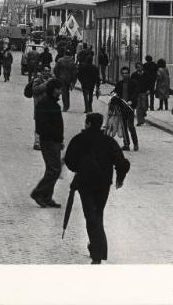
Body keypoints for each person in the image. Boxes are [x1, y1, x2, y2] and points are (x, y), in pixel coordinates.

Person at [64, 112, 130, 264]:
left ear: (87, 123)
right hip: (103, 184)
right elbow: (122, 162)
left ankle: (97, 252)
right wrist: (120, 177)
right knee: (97, 214)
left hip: (85, 183)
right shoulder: (108, 141)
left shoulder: (79, 139)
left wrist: (79, 168)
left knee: (91, 215)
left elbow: (69, 160)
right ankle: (97, 248)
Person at [30, 78, 64, 208]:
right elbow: (41, 126)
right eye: (59, 89)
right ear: (53, 90)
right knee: (54, 169)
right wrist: (54, 137)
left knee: (53, 169)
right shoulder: (44, 104)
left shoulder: (53, 104)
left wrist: (60, 140)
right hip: (49, 141)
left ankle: (47, 197)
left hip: (54, 141)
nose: (61, 91)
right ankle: (38, 193)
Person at [112, 67, 139, 151]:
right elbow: (115, 92)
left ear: (129, 73)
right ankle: (126, 144)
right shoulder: (119, 83)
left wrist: (131, 101)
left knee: (131, 126)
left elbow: (136, 93)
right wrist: (113, 95)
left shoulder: (134, 83)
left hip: (130, 107)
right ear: (121, 74)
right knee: (123, 127)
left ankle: (135, 144)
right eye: (123, 73)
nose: (125, 75)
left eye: (126, 73)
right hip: (122, 107)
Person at [31, 66, 52, 150]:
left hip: (49, 107)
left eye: (48, 71)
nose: (47, 72)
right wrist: (46, 84)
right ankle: (37, 142)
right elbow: (35, 90)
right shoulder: (37, 80)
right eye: (45, 71)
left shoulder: (51, 80)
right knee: (39, 125)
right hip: (39, 106)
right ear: (42, 72)